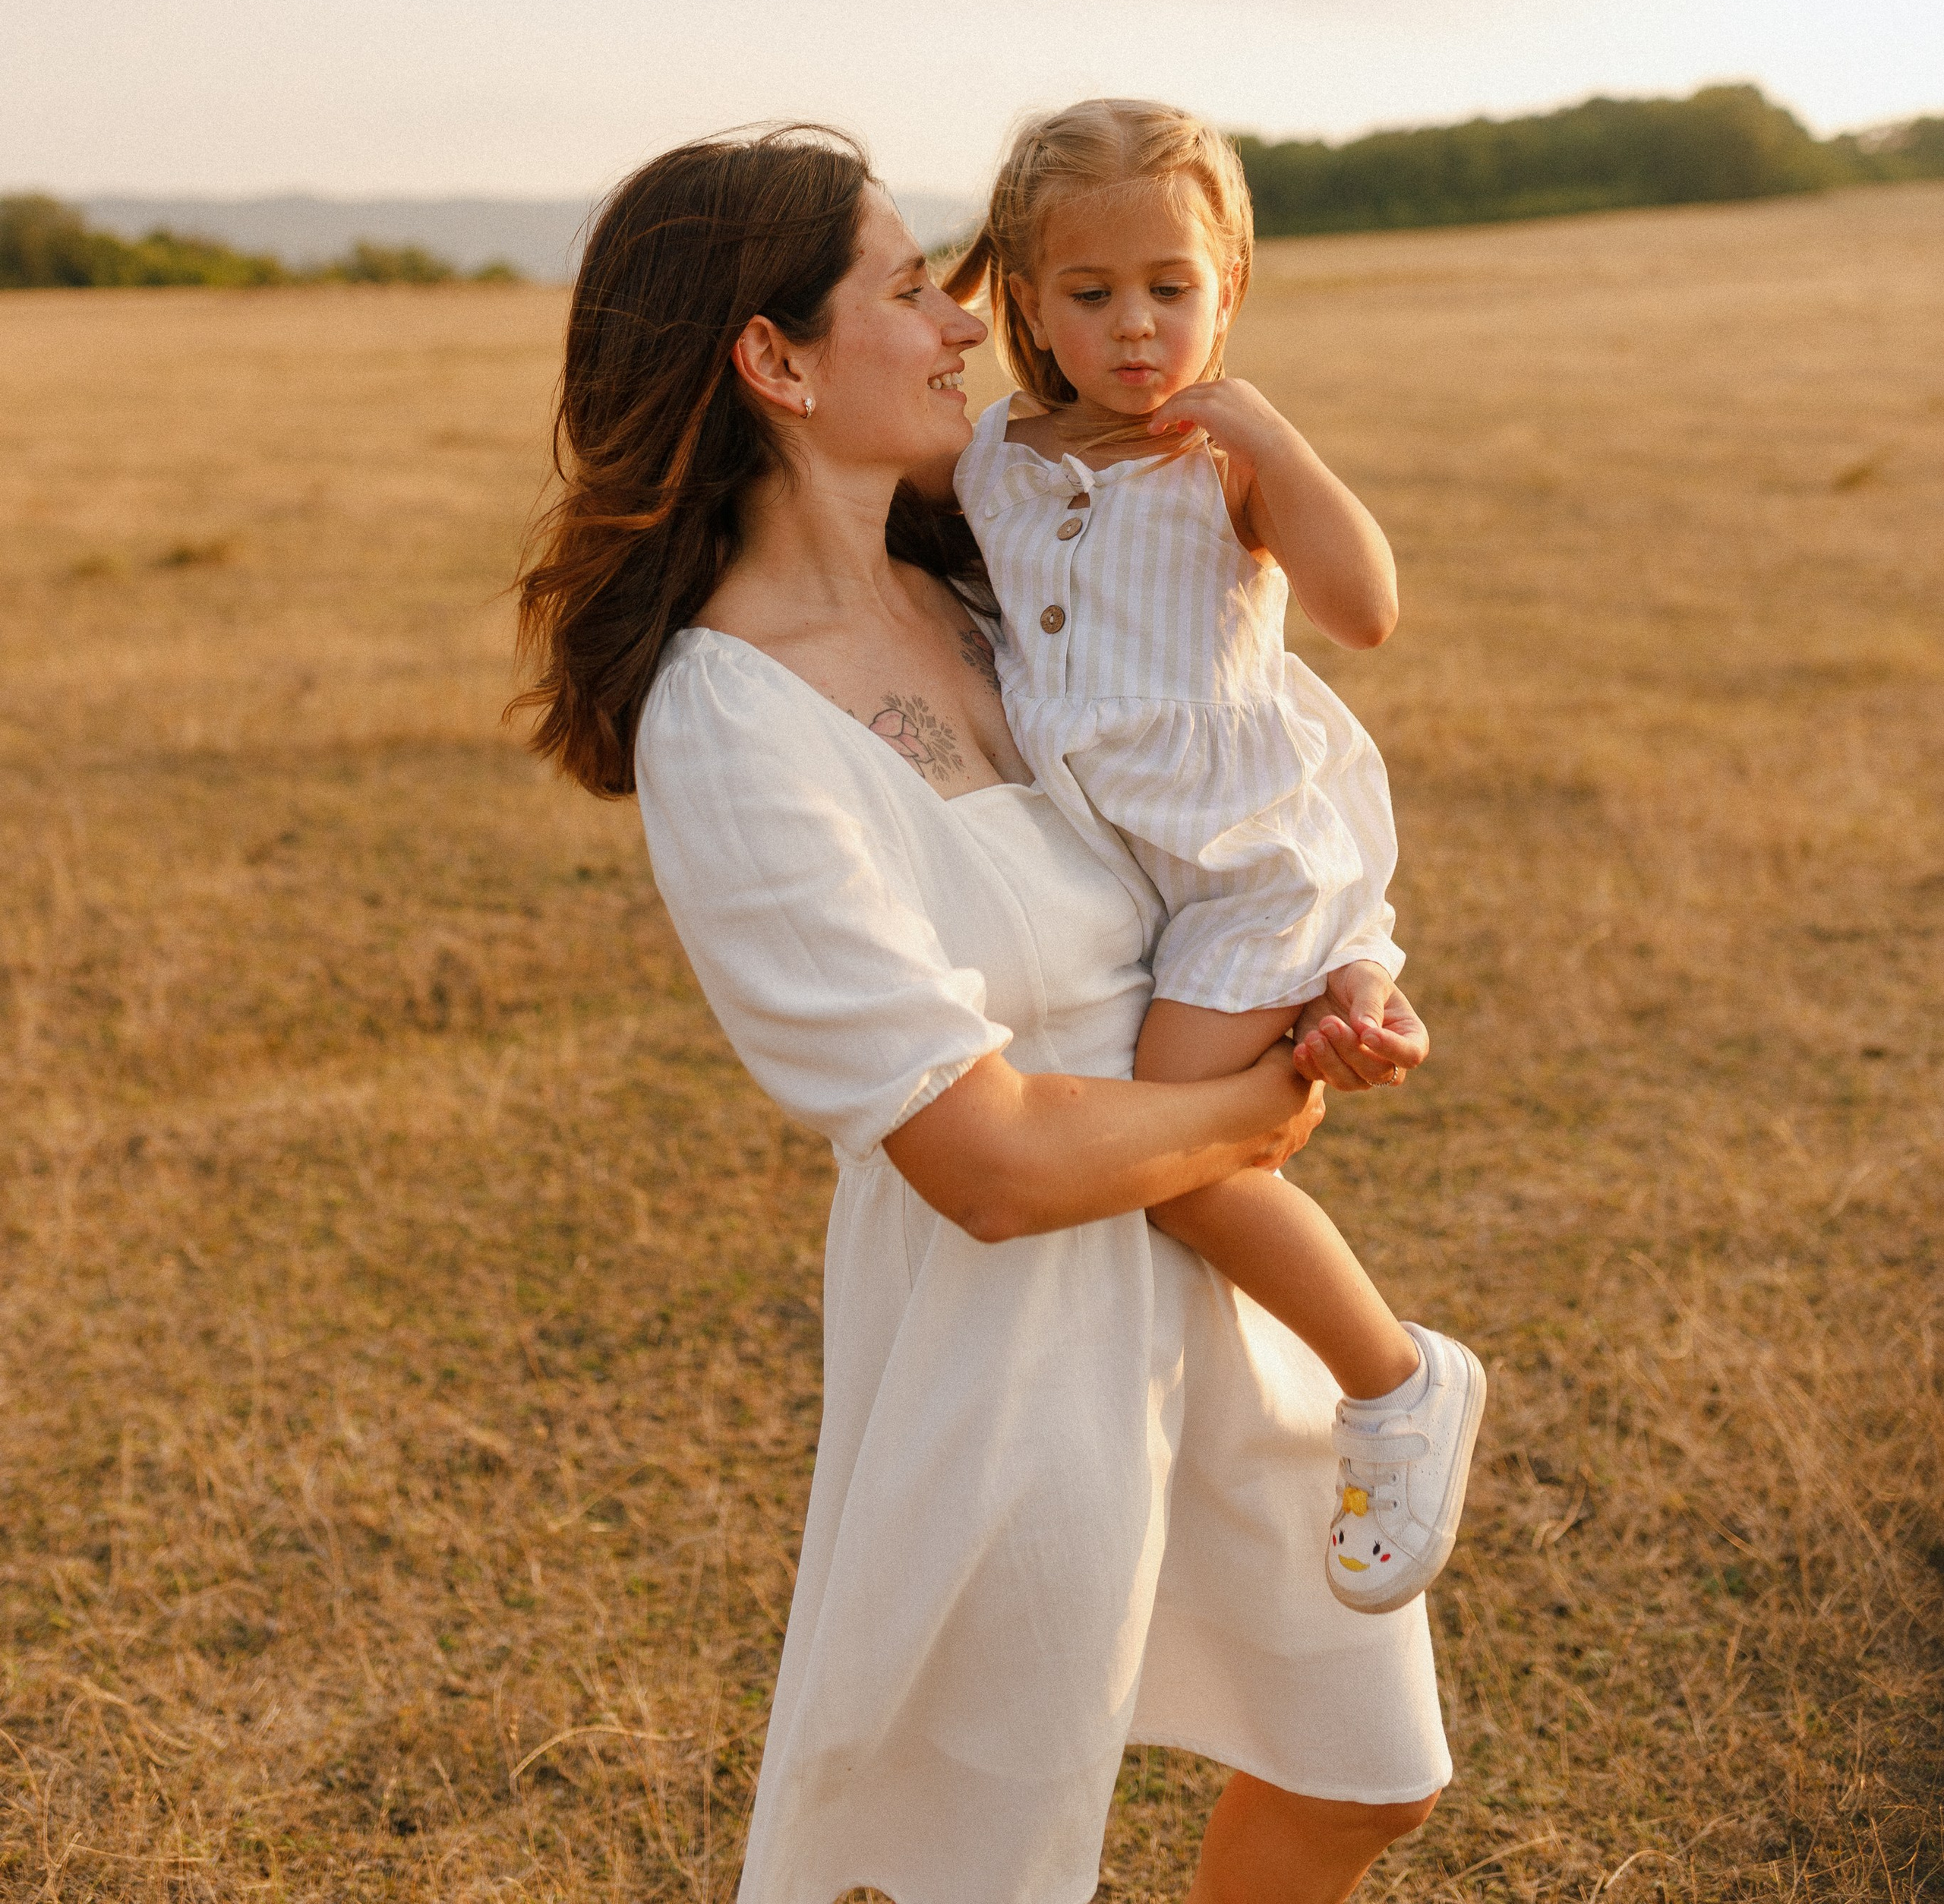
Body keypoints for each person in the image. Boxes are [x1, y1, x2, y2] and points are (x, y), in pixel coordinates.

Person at [514, 126, 1450, 1904]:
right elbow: (984, 1164)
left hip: (1202, 1294)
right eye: (911, 285)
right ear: (774, 360)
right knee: (991, 1857)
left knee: (1354, 1771)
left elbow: (1239, 804)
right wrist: (1254, 1122)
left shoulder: (991, 595)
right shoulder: (729, 723)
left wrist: (1340, 977)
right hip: (1009, 1351)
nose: (967, 321)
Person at [947, 99, 1484, 1616]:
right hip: (1132, 877)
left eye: (1170, 289)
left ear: (1226, 288)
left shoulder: (1221, 461)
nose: (1133, 328)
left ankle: (1394, 1380)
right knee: (1159, 1150)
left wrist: (1269, 440)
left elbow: (1364, 611)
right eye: (1091, 292)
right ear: (1027, 309)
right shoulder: (992, 456)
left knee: (1181, 1171)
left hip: (1245, 870)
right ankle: (1351, 1002)